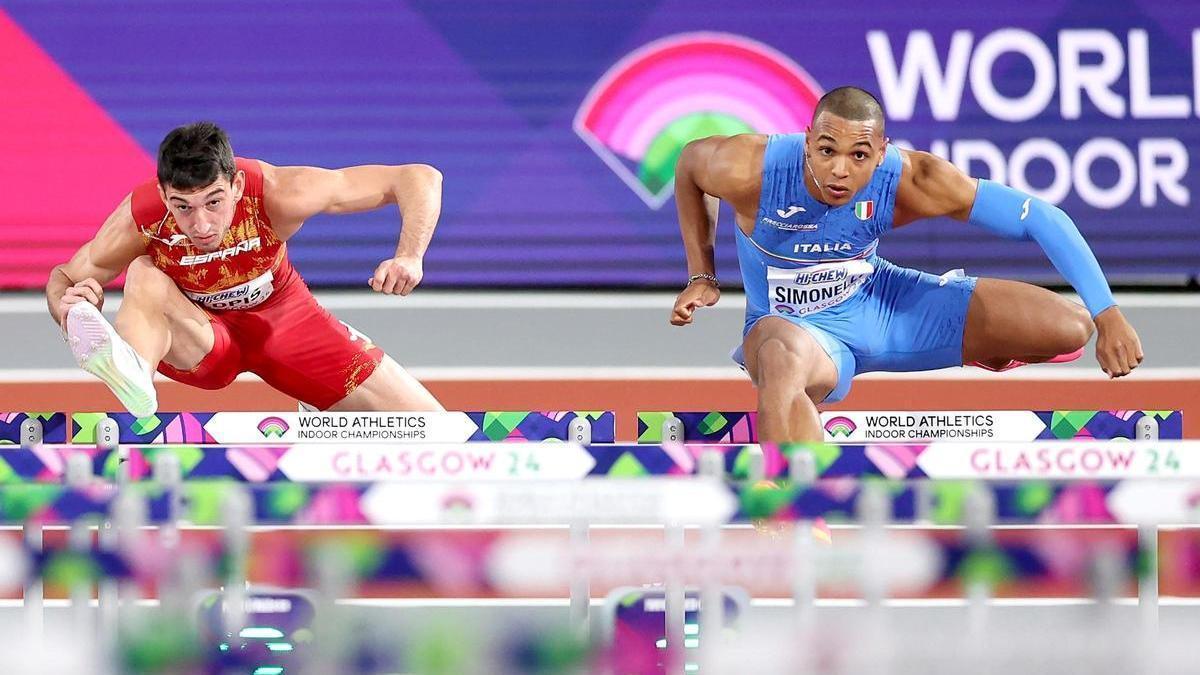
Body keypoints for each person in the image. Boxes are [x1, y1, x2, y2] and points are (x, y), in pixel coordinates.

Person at [669, 87, 1143, 442]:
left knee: (1070, 327)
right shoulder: (752, 166)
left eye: (859, 156)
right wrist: (703, 274)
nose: (840, 170)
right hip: (793, 328)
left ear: (881, 153)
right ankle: (794, 520)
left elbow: (1039, 216)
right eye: (827, 150)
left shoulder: (913, 180)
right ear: (808, 140)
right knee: (781, 361)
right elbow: (690, 165)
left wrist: (1108, 313)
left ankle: (988, 349)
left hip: (883, 306)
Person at [46, 121, 444, 416]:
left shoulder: (279, 192)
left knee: (434, 430)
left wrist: (409, 254)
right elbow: (65, 276)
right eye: (182, 206)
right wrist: (73, 308)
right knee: (143, 270)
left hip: (287, 323)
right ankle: (135, 374)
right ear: (165, 195)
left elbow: (417, 177)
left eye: (214, 202)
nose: (200, 224)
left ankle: (316, 394)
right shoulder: (142, 217)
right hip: (201, 337)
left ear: (236, 186)